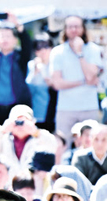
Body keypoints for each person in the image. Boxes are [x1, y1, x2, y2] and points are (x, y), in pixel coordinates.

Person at [50, 15, 103, 147]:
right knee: (63, 146)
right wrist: (82, 82)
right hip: (65, 108)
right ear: (65, 29)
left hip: (88, 107)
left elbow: (91, 76)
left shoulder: (93, 49)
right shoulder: (57, 52)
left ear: (83, 29)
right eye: (70, 26)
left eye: (77, 26)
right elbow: (57, 83)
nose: (74, 30)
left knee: (90, 146)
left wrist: (80, 53)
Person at [0, 105, 57, 176]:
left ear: (32, 122)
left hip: (30, 186)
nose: (20, 125)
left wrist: (36, 132)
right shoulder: (2, 138)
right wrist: (2, 130)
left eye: (24, 122)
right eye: (17, 122)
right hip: (7, 186)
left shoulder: (39, 138)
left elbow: (53, 147)